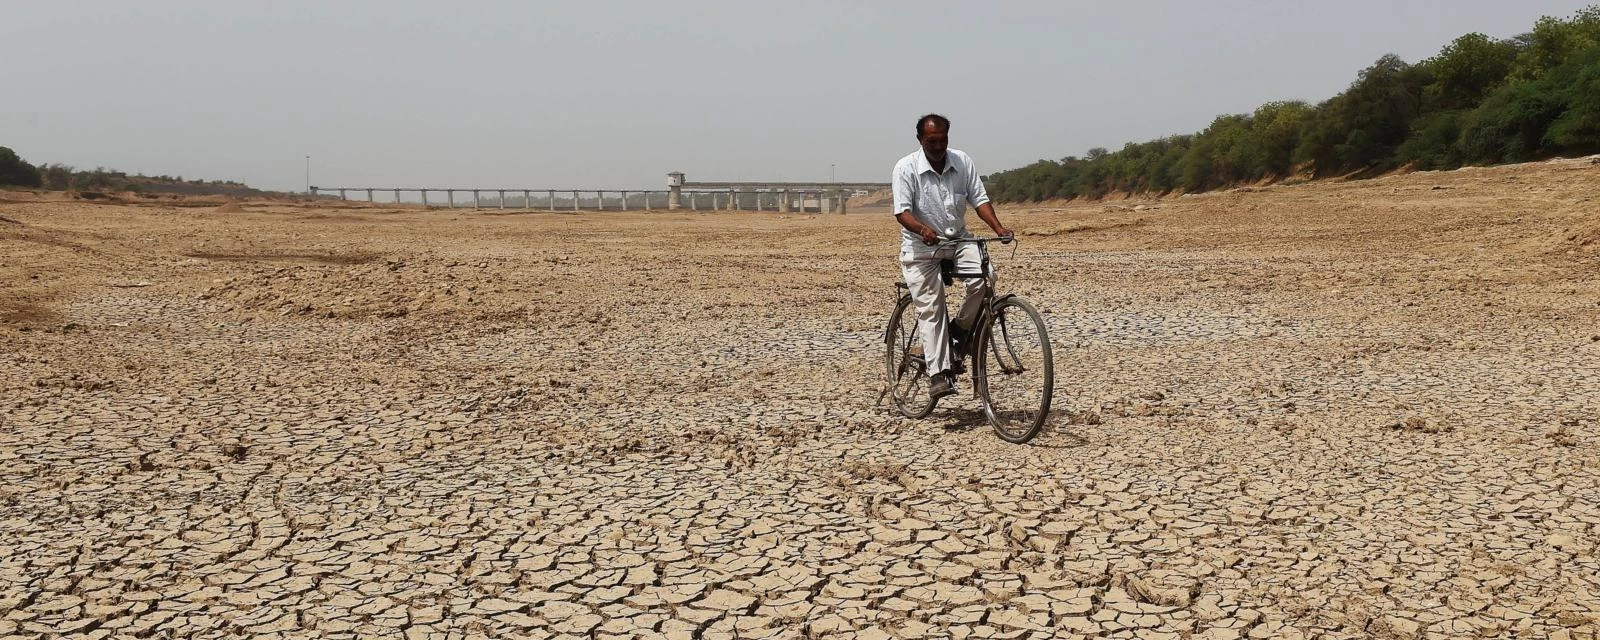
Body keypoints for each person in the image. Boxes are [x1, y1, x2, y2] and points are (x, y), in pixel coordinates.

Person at [892, 113, 1013, 401]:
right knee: (932, 308)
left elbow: (979, 199)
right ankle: (939, 374)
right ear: (920, 139)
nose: (937, 146)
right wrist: (923, 229)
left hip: (958, 240)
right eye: (931, 141)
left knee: (987, 277)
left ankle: (959, 328)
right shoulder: (905, 168)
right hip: (922, 249)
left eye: (942, 139)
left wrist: (999, 228)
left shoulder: (961, 162)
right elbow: (902, 213)